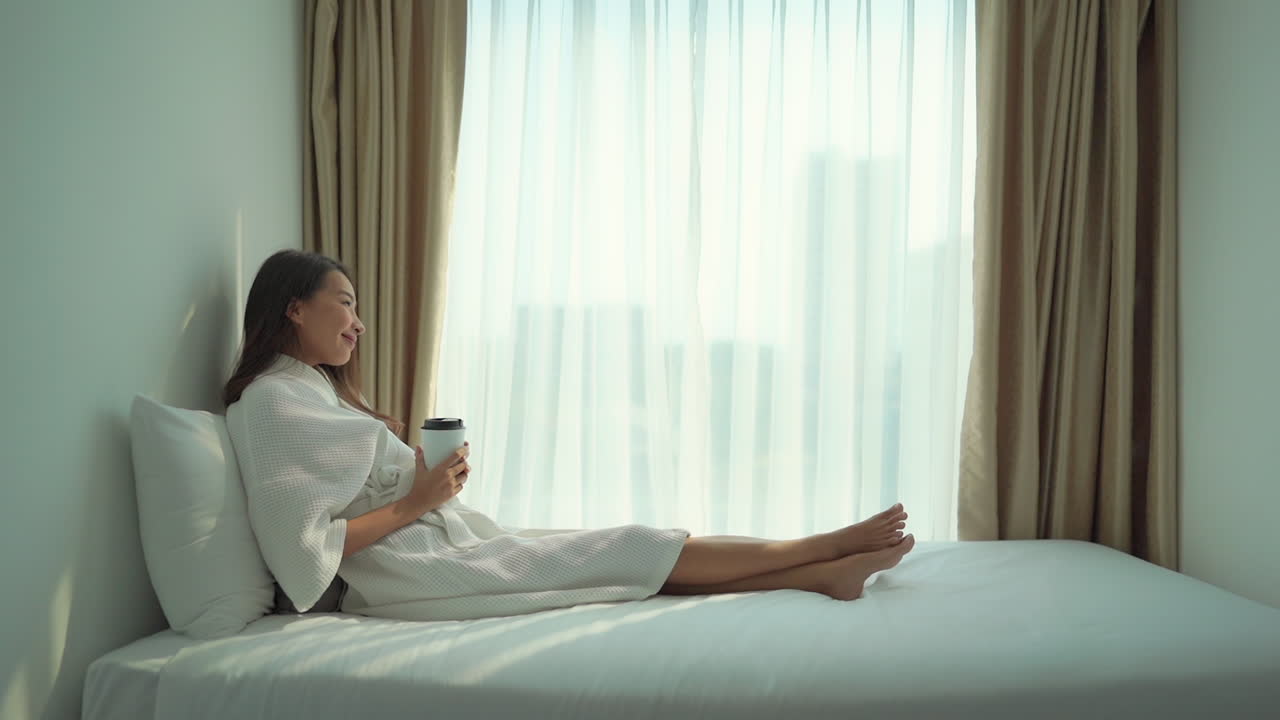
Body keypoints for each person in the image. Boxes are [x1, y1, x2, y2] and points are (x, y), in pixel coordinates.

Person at [223, 249, 915, 622]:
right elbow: (303, 555)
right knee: (625, 547)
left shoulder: (308, 395)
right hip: (405, 572)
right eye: (344, 303)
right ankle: (823, 548)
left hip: (437, 544)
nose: (358, 323)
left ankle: (824, 573)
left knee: (614, 559)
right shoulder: (270, 404)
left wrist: (432, 485)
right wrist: (416, 497)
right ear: (294, 307)